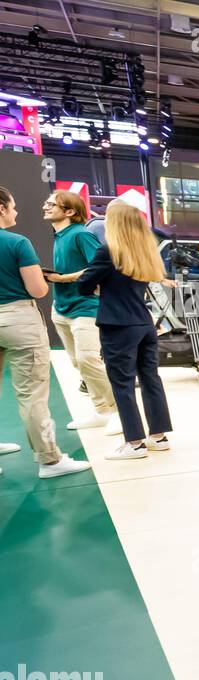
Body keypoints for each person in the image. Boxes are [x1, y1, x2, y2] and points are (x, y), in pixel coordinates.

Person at [0, 186, 93, 479]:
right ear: (1, 209)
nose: (16, 212)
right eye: (13, 207)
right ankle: (49, 461)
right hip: (18, 321)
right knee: (32, 395)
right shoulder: (17, 243)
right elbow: (38, 289)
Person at [77, 200, 173, 460]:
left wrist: (98, 285)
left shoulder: (109, 251)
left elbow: (84, 286)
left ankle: (134, 443)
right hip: (144, 323)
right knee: (151, 379)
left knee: (122, 384)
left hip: (118, 325)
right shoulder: (146, 252)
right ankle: (159, 436)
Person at [41, 190, 118, 431]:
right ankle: (100, 411)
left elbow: (99, 268)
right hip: (62, 308)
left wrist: (63, 279)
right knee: (78, 363)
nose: (46, 206)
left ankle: (118, 411)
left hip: (85, 307)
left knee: (88, 361)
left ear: (70, 211)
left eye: (52, 204)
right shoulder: (59, 235)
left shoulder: (80, 234)